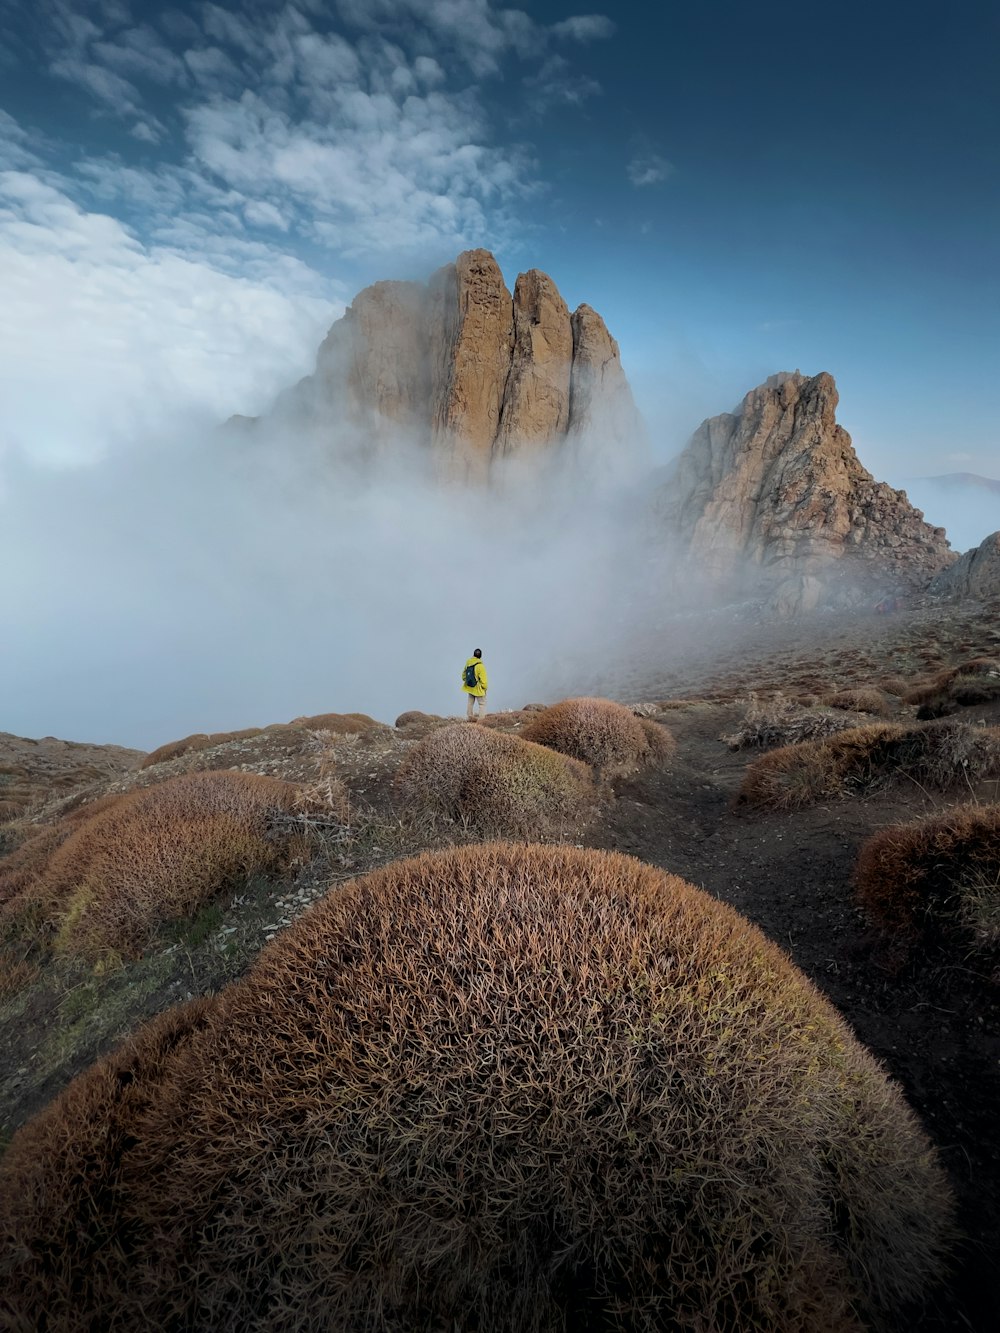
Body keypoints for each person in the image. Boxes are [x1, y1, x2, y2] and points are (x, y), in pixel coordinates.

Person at [461, 648, 488, 721]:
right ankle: (481, 721)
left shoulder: (468, 662)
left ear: (473, 654)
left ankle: (469, 718)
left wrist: (467, 681)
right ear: (480, 656)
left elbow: (463, 675)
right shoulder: (480, 666)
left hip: (470, 687)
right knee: (482, 704)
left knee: (470, 703)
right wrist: (484, 688)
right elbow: (484, 680)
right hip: (478, 689)